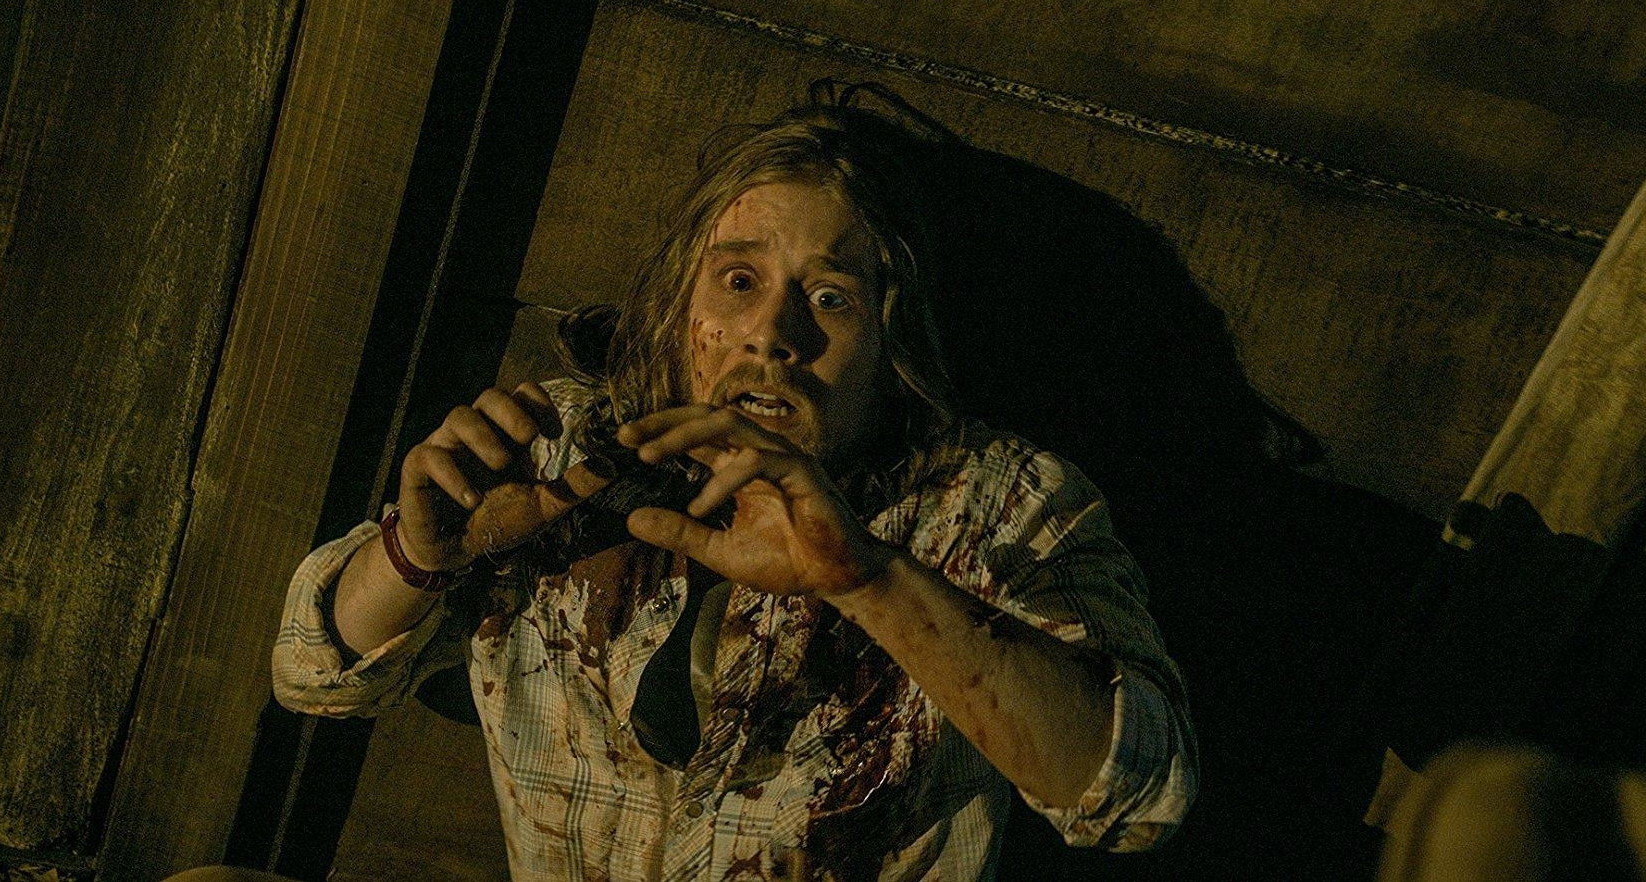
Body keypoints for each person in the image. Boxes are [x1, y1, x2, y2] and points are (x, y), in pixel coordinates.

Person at [272, 96, 1196, 881]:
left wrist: (867, 579)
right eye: (739, 280)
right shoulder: (563, 451)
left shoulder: (996, 504)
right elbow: (311, 674)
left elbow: (1140, 794)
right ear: (681, 304)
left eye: (830, 298)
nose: (770, 334)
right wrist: (420, 555)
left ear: (894, 341)